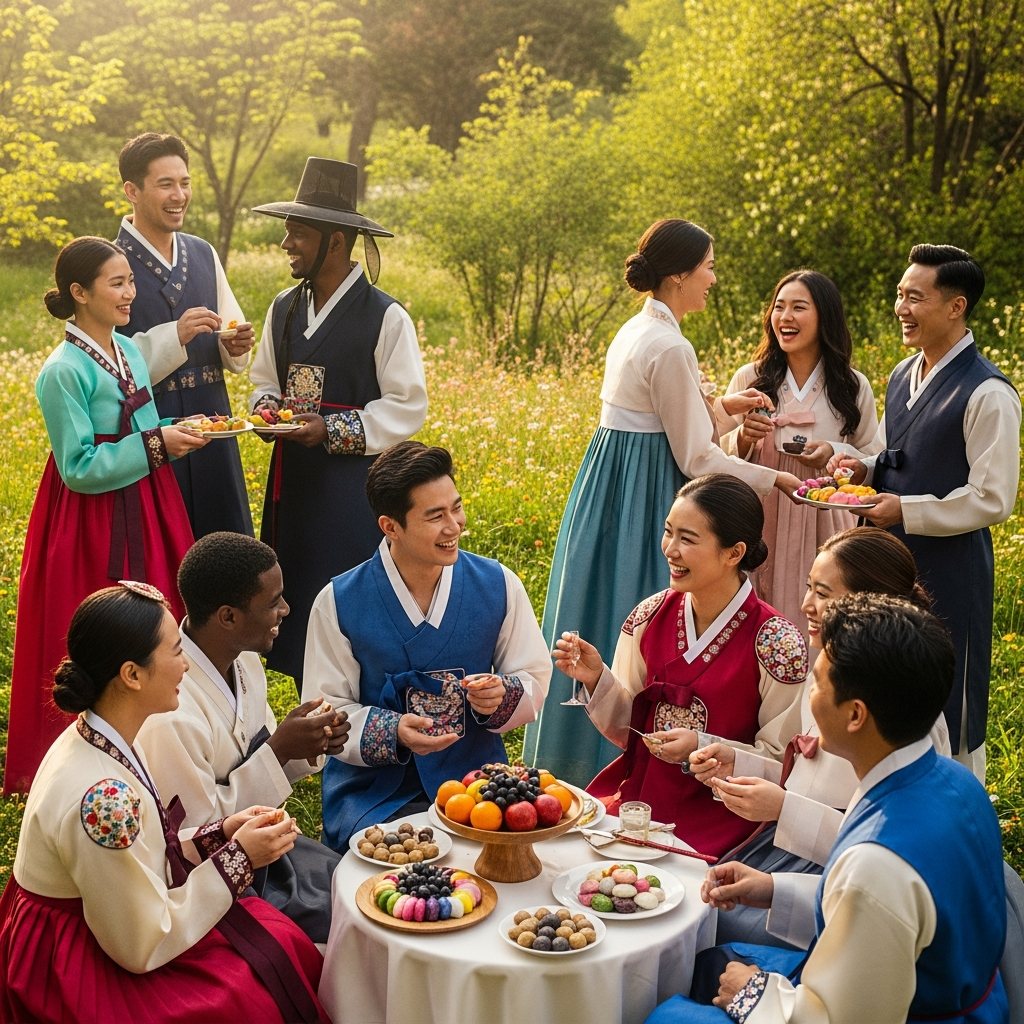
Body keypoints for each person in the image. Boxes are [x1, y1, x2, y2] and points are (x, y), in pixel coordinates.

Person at [526, 219, 804, 787]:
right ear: (679, 275)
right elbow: (697, 456)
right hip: (647, 486)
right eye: (707, 266)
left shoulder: (637, 330)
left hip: (611, 480)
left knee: (604, 602)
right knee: (648, 609)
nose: (713, 277)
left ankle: (571, 754)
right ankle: (633, 758)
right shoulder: (671, 345)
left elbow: (662, 413)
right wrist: (770, 478)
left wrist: (725, 404)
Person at [645, 593, 1008, 1024]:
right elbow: (886, 921)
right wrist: (773, 889)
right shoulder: (954, 781)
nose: (810, 696)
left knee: (666, 1015)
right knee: (707, 964)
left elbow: (840, 1015)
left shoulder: (877, 862)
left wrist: (753, 994)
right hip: (947, 989)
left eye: (817, 683)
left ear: (856, 715)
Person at [0, 584, 329, 1023]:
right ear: (132, 675)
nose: (187, 664)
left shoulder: (99, 734)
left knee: (277, 937)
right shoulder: (105, 798)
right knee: (248, 993)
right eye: (175, 651)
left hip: (108, 920)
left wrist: (222, 833)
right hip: (76, 964)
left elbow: (142, 855)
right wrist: (239, 859)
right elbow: (142, 944)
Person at [3, 237, 206, 796]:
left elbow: (148, 426)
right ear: (78, 292)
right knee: (102, 629)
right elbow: (78, 467)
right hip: (92, 519)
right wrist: (158, 444)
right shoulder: (62, 371)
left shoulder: (129, 350)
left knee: (163, 620)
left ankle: (164, 750)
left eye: (130, 282)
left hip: (148, 499)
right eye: (116, 283)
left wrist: (173, 439)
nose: (129, 293)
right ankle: (84, 766)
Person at [688, 527, 951, 948]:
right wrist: (739, 763)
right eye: (809, 587)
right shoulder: (830, 670)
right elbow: (806, 767)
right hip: (783, 849)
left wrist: (784, 808)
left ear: (868, 605)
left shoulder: (906, 716)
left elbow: (890, 844)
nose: (806, 604)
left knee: (708, 929)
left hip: (831, 869)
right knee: (691, 897)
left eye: (823, 594)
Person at [830, 244, 1021, 782]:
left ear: (956, 306)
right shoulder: (901, 373)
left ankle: (957, 826)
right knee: (885, 689)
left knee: (946, 701)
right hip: (890, 564)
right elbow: (901, 453)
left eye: (915, 297)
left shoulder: (989, 392)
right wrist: (863, 469)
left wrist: (905, 510)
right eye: (899, 295)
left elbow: (993, 497)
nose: (901, 308)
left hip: (950, 571)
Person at [302, 441, 551, 849]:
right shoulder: (339, 601)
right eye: (435, 516)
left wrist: (503, 694)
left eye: (456, 507)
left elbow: (534, 675)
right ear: (390, 526)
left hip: (480, 788)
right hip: (374, 792)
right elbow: (327, 711)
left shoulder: (498, 584)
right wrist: (393, 730)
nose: (454, 525)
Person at [554, 474, 807, 859]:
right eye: (668, 532)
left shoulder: (777, 642)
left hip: (725, 816)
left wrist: (705, 747)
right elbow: (632, 733)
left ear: (734, 553)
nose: (670, 549)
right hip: (640, 801)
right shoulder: (648, 617)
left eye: (688, 539)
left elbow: (781, 763)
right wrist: (595, 680)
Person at [249, 157, 427, 691]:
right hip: (295, 485)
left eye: (297, 233)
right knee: (298, 592)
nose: (286, 244)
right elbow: (264, 380)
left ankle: (361, 711)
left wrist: (332, 430)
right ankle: (314, 719)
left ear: (335, 241)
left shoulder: (386, 316)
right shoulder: (283, 308)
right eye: (287, 232)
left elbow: (406, 406)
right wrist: (264, 412)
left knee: (352, 594)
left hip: (355, 489)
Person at [136, 532, 350, 943]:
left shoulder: (245, 662)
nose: (286, 610)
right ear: (228, 617)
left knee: (354, 885)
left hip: (268, 848)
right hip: (215, 876)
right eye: (273, 602)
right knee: (338, 926)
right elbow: (201, 832)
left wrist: (308, 744)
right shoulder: (172, 713)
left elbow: (259, 749)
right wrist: (281, 748)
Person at [717, 271, 881, 638]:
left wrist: (833, 452)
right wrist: (744, 437)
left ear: (824, 317)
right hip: (761, 513)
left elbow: (873, 456)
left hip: (824, 518)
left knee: (822, 614)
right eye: (779, 307)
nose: (785, 317)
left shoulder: (852, 386)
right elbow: (715, 455)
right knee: (756, 613)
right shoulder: (750, 378)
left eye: (798, 308)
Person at [116, 133, 256, 538]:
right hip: (149, 436)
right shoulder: (107, 262)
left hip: (215, 427)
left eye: (185, 182)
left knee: (226, 554)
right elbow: (101, 366)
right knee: (163, 558)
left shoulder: (202, 253)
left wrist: (236, 346)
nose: (179, 195)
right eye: (165, 184)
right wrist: (173, 335)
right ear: (132, 191)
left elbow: (232, 340)